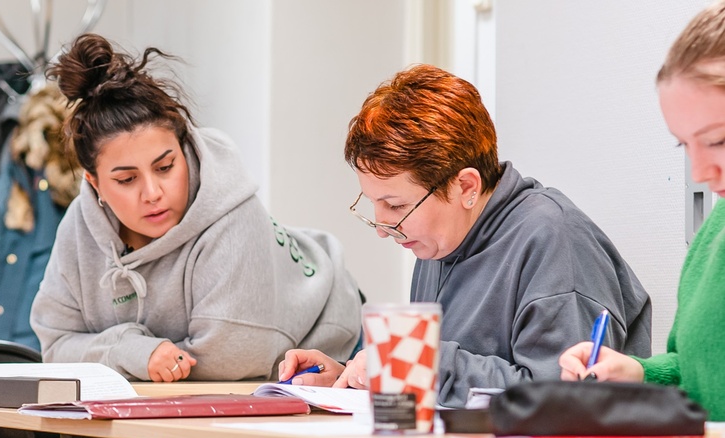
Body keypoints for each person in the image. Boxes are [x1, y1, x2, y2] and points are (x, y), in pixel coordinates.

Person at [32, 33, 363, 438]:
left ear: (185, 149)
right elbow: (54, 346)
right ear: (94, 183)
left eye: (165, 167)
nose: (151, 192)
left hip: (315, 346)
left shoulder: (233, 218)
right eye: (125, 179)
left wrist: (127, 356)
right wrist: (134, 351)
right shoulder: (79, 231)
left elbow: (231, 359)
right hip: (190, 388)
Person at [280, 64, 653, 409]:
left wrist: (418, 362)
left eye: (395, 205)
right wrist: (355, 376)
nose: (382, 228)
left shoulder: (555, 242)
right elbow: (457, 384)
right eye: (373, 203)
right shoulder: (439, 243)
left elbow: (562, 401)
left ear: (466, 187)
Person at [560, 2, 725, 419]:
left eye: (718, 140)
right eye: (684, 145)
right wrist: (638, 373)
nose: (702, 172)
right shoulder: (714, 233)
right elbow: (695, 371)